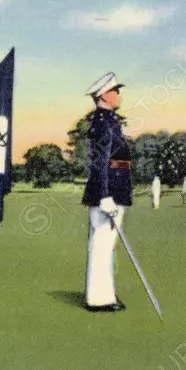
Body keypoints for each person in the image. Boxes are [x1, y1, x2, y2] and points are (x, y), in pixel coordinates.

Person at [81, 72, 132, 312]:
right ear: (105, 96)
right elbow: (101, 162)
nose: (119, 95)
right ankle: (99, 298)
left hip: (113, 188)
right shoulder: (104, 122)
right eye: (116, 91)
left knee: (105, 244)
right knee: (102, 244)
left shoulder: (109, 120)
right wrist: (105, 195)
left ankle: (103, 295)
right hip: (108, 191)